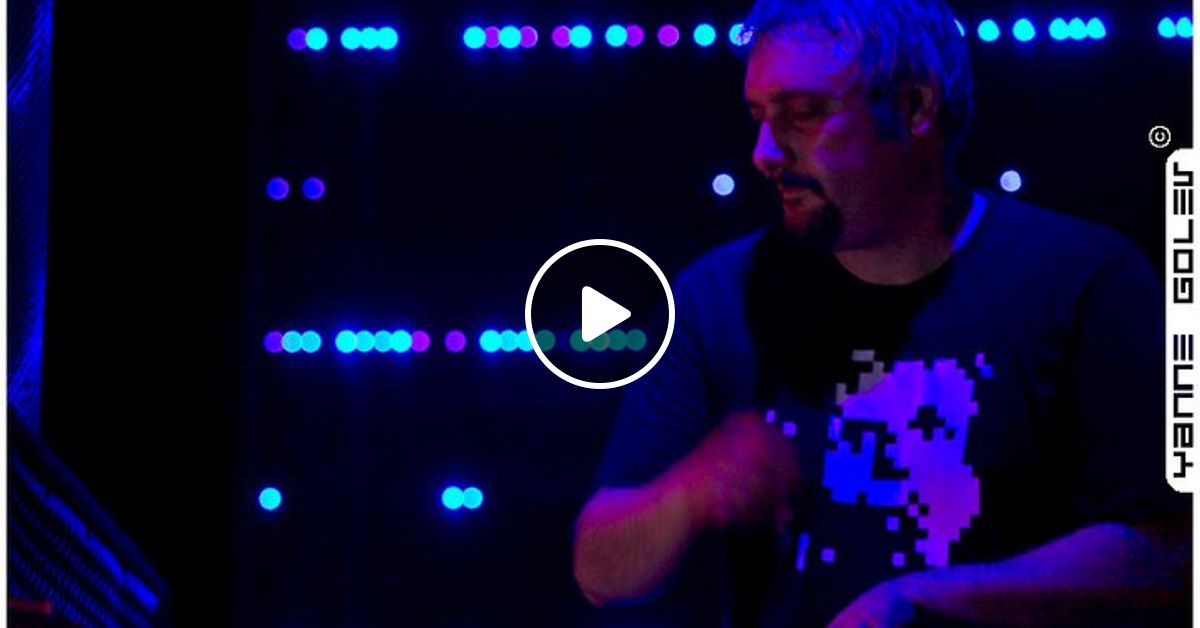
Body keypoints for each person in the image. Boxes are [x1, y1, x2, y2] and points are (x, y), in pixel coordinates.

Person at [571, 0, 1193, 625]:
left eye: (803, 113)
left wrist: (921, 601)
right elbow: (600, 574)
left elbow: (1171, 554)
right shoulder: (720, 294)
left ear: (915, 108)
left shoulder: (1084, 278)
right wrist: (689, 493)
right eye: (758, 117)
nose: (763, 151)